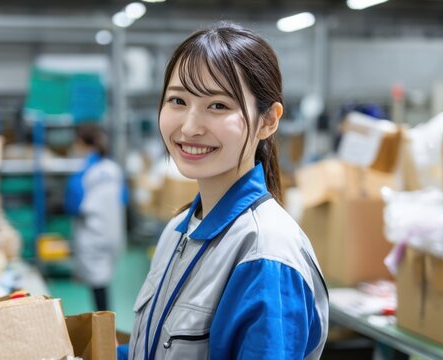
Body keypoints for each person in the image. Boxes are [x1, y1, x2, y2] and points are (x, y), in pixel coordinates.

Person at [117, 22, 328, 359]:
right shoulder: (177, 230)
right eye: (177, 100)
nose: (189, 127)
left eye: (218, 106)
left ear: (268, 121)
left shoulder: (265, 255)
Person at [65, 123, 127, 311]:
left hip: (92, 236)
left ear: (81, 143)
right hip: (114, 234)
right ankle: (105, 324)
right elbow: (124, 199)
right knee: (103, 280)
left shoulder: (83, 173)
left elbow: (73, 206)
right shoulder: (114, 168)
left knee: (97, 286)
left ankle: (105, 330)